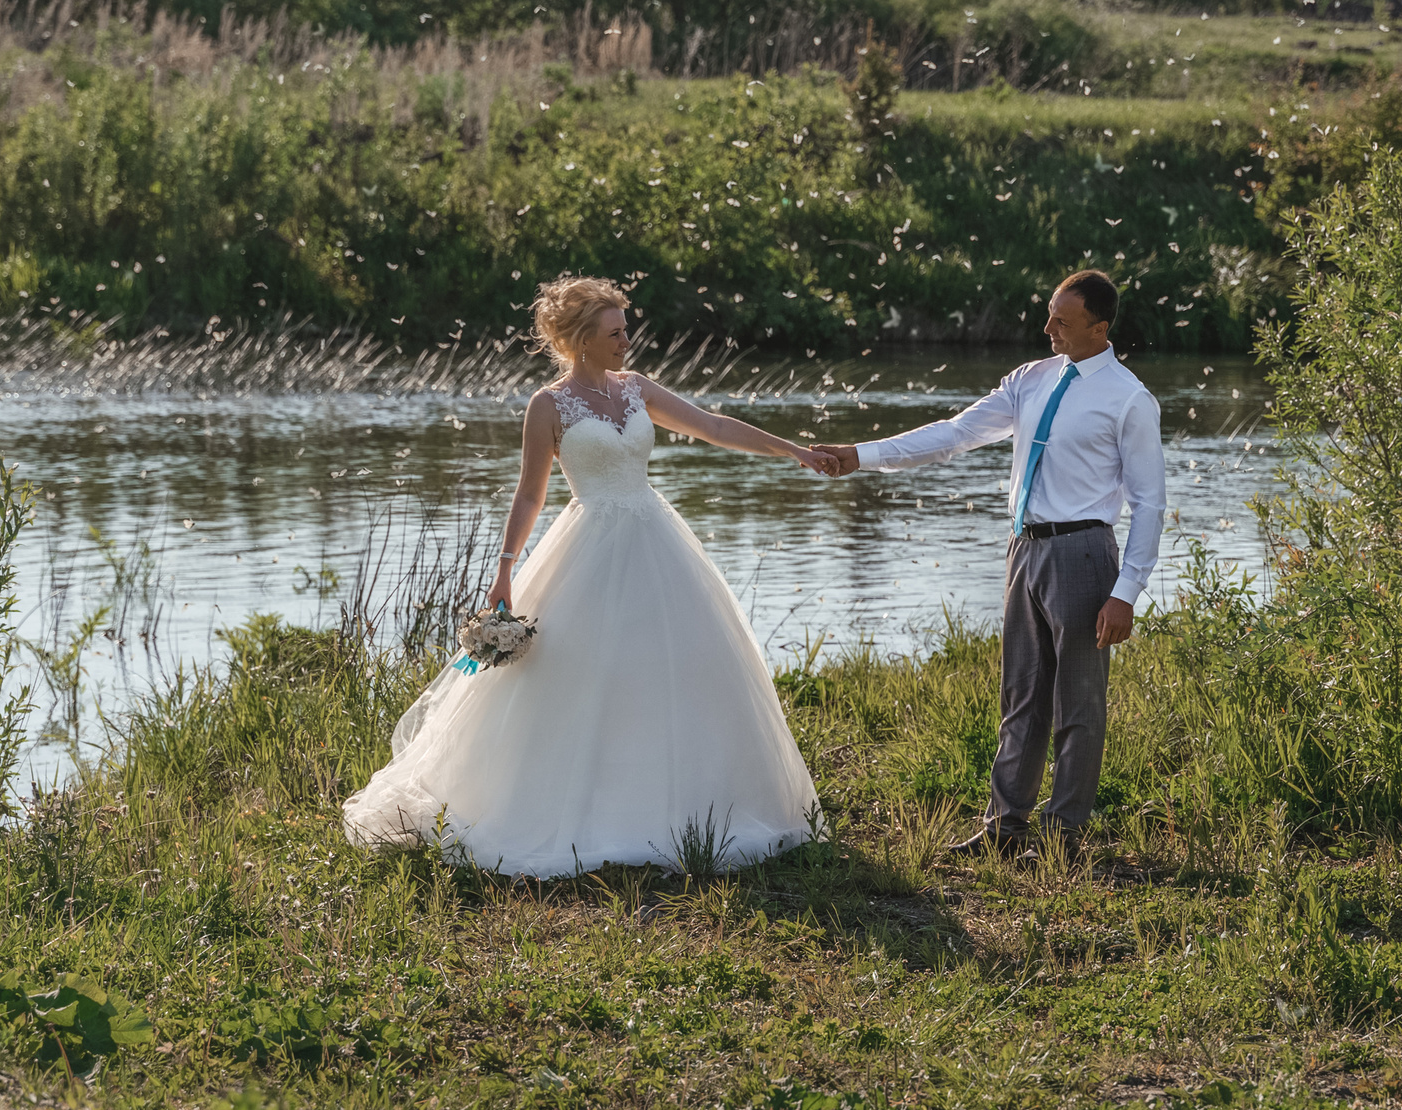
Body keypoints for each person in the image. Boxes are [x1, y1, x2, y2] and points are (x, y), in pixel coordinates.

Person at [342, 275, 825, 875]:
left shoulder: (637, 390)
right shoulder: (548, 406)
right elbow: (529, 495)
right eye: (615, 331)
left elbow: (717, 428)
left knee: (681, 666)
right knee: (580, 675)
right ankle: (573, 812)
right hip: (588, 545)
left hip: (656, 540)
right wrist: (504, 571)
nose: (627, 339)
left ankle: (689, 808)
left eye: (626, 328)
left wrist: (797, 452)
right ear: (582, 340)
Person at [808, 270, 1164, 858]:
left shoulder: (1129, 398)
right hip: (1023, 550)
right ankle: (1005, 826)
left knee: (1078, 702)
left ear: (1100, 329)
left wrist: (1126, 591)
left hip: (1083, 552)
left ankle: (1064, 835)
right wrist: (860, 457)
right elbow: (955, 434)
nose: (1048, 328)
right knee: (1021, 694)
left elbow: (1150, 503)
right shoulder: (1030, 379)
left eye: (1063, 321)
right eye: (1049, 314)